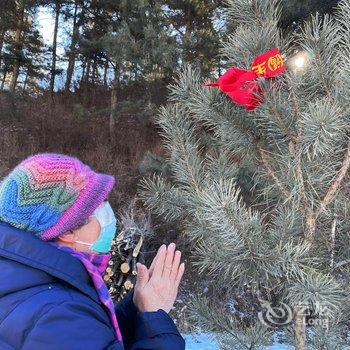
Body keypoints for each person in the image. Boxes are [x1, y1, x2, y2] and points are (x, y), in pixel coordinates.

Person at [0, 153, 186, 350]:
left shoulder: (22, 281)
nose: (109, 215)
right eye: (100, 208)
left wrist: (135, 309)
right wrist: (156, 324)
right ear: (68, 231)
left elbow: (92, 339)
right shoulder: (59, 315)